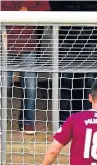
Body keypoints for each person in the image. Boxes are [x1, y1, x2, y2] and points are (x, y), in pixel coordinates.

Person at [1, 1, 51, 134]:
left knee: (30, 87)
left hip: (29, 45)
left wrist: (29, 13)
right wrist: (17, 14)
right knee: (3, 86)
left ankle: (27, 122)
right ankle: (1, 122)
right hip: (6, 45)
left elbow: (46, 11)